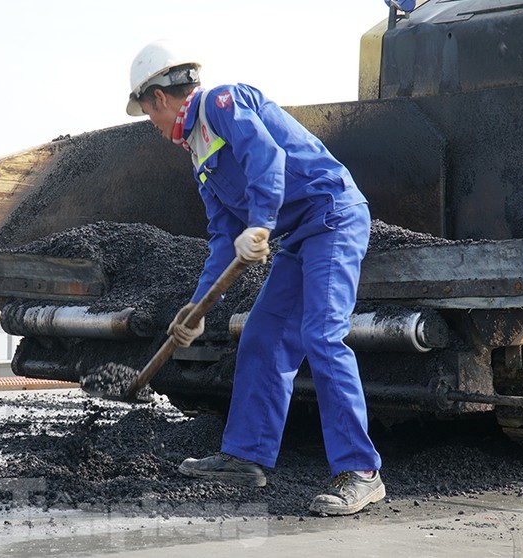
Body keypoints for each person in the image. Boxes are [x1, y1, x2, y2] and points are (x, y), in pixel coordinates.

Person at [126, 40, 384, 516]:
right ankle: (246, 456)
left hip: (332, 216)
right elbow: (223, 236)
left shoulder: (223, 103)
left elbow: (268, 160)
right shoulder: (199, 152)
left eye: (148, 115)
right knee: (263, 336)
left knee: (322, 334)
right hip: (298, 234)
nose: (154, 128)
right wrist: (198, 309)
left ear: (159, 97)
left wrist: (261, 222)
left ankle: (361, 471)